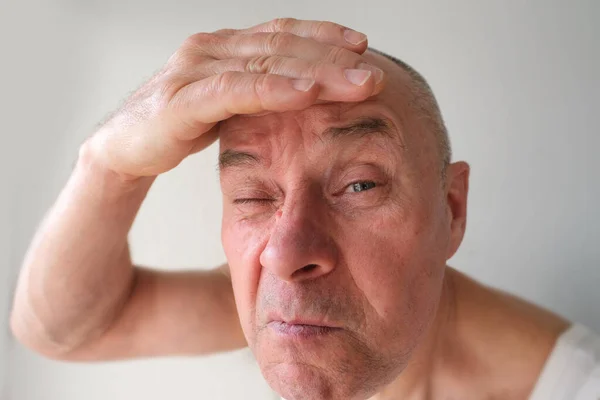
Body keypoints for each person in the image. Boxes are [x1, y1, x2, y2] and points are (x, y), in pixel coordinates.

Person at [9, 18, 600, 400]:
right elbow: (60, 330)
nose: (287, 255)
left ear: (453, 208)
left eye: (360, 186)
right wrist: (110, 164)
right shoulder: (292, 309)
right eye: (253, 196)